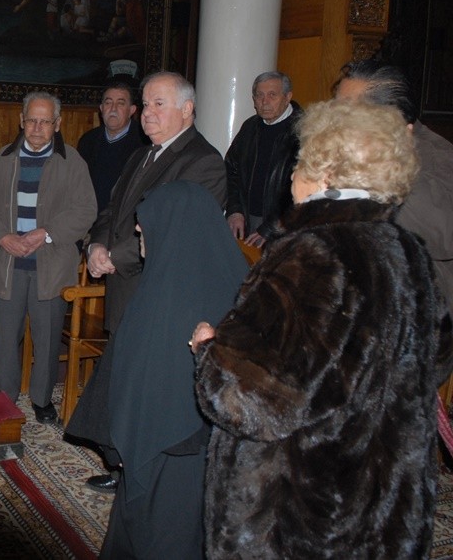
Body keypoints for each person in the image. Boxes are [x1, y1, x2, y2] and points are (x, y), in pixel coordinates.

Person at [192, 97, 453, 559]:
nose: (292, 174)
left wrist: (211, 350)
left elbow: (249, 404)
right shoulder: (408, 251)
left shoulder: (311, 256)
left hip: (300, 512)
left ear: (325, 172)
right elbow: (435, 358)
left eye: (300, 161)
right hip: (383, 506)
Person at [69, 70, 226, 494]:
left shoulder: (203, 161)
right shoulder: (142, 154)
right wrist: (96, 245)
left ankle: (142, 474)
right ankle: (122, 465)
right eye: (148, 104)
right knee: (124, 384)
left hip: (160, 295)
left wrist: (115, 258)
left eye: (160, 104)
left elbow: (176, 234)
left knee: (150, 392)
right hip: (126, 290)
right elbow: (112, 210)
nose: (148, 113)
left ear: (187, 109)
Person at [79, 180, 247, 559]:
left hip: (167, 455)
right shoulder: (234, 283)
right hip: (207, 452)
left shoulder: (166, 297)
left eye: (145, 220)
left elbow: (137, 382)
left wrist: (121, 443)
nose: (139, 227)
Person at [0, 92, 96, 424]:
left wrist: (47, 232)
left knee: (48, 336)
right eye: (31, 120)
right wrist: (2, 236)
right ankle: (4, 397)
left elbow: (85, 210)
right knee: (5, 335)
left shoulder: (72, 162)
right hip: (8, 264)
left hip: (51, 265)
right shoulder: (2, 159)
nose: (37, 128)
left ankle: (42, 400)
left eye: (45, 121)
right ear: (21, 121)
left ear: (58, 124)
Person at [334, 59, 453, 311]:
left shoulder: (435, 157)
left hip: (420, 313)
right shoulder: (350, 150)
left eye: (347, 110)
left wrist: (381, 163)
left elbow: (445, 235)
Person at [224, 70, 302, 247]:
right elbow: (231, 169)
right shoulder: (250, 128)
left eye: (272, 95)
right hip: (247, 220)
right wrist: (235, 210)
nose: (264, 102)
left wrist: (271, 228)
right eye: (259, 95)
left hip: (285, 226)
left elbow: (304, 189)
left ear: (288, 97)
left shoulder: (303, 131)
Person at [75, 79, 146, 213]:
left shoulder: (144, 142)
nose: (113, 109)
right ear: (101, 108)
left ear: (132, 110)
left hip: (126, 218)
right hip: (90, 217)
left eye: (120, 103)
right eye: (108, 103)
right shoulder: (88, 140)